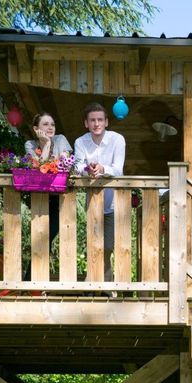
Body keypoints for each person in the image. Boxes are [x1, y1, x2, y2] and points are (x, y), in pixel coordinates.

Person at [74, 102, 126, 282]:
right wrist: (87, 169)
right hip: (92, 203)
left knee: (109, 246)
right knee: (92, 245)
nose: (96, 124)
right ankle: (96, 286)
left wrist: (103, 168)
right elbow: (77, 166)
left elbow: (118, 170)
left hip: (113, 203)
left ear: (106, 122)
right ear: (86, 123)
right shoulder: (80, 142)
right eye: (92, 120)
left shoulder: (117, 139)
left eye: (100, 120)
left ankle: (102, 284)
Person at [24, 112, 72, 280]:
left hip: (60, 198)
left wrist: (53, 151)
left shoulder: (61, 140)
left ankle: (30, 279)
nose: (50, 127)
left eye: (52, 124)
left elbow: (64, 164)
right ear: (36, 129)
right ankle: (32, 280)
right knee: (40, 238)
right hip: (39, 198)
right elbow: (38, 171)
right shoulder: (30, 144)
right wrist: (46, 145)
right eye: (45, 124)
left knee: (46, 238)